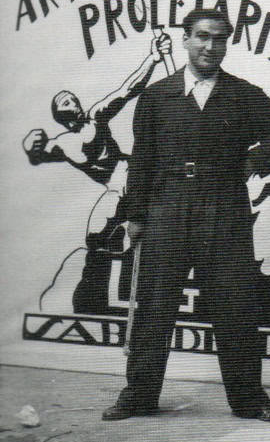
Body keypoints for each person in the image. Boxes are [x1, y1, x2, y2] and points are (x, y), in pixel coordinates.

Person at [102, 8, 270, 423]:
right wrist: (136, 216)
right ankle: (138, 395)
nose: (210, 46)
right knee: (155, 306)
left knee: (235, 305)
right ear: (185, 38)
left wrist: (255, 159)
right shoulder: (157, 96)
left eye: (219, 39)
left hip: (223, 207)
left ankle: (249, 399)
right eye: (202, 37)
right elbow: (142, 160)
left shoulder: (242, 94)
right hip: (167, 207)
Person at [23, 34, 172, 315]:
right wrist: (31, 145)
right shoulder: (61, 144)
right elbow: (36, 155)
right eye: (66, 101)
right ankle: (102, 292)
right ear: (60, 113)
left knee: (135, 229)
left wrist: (153, 58)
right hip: (114, 188)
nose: (74, 101)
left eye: (73, 97)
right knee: (96, 237)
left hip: (131, 175)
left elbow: (127, 89)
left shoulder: (96, 118)